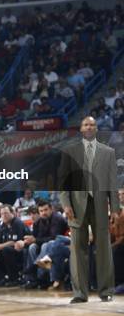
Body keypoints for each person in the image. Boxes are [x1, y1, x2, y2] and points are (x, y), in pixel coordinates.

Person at [59, 116, 120, 303]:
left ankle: (106, 291)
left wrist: (115, 209)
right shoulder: (69, 151)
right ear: (81, 128)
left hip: (101, 205)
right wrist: (66, 204)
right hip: (76, 206)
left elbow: (112, 183)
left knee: (104, 250)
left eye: (93, 124)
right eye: (86, 124)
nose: (89, 127)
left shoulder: (108, 152)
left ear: (96, 128)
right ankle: (80, 293)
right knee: (78, 251)